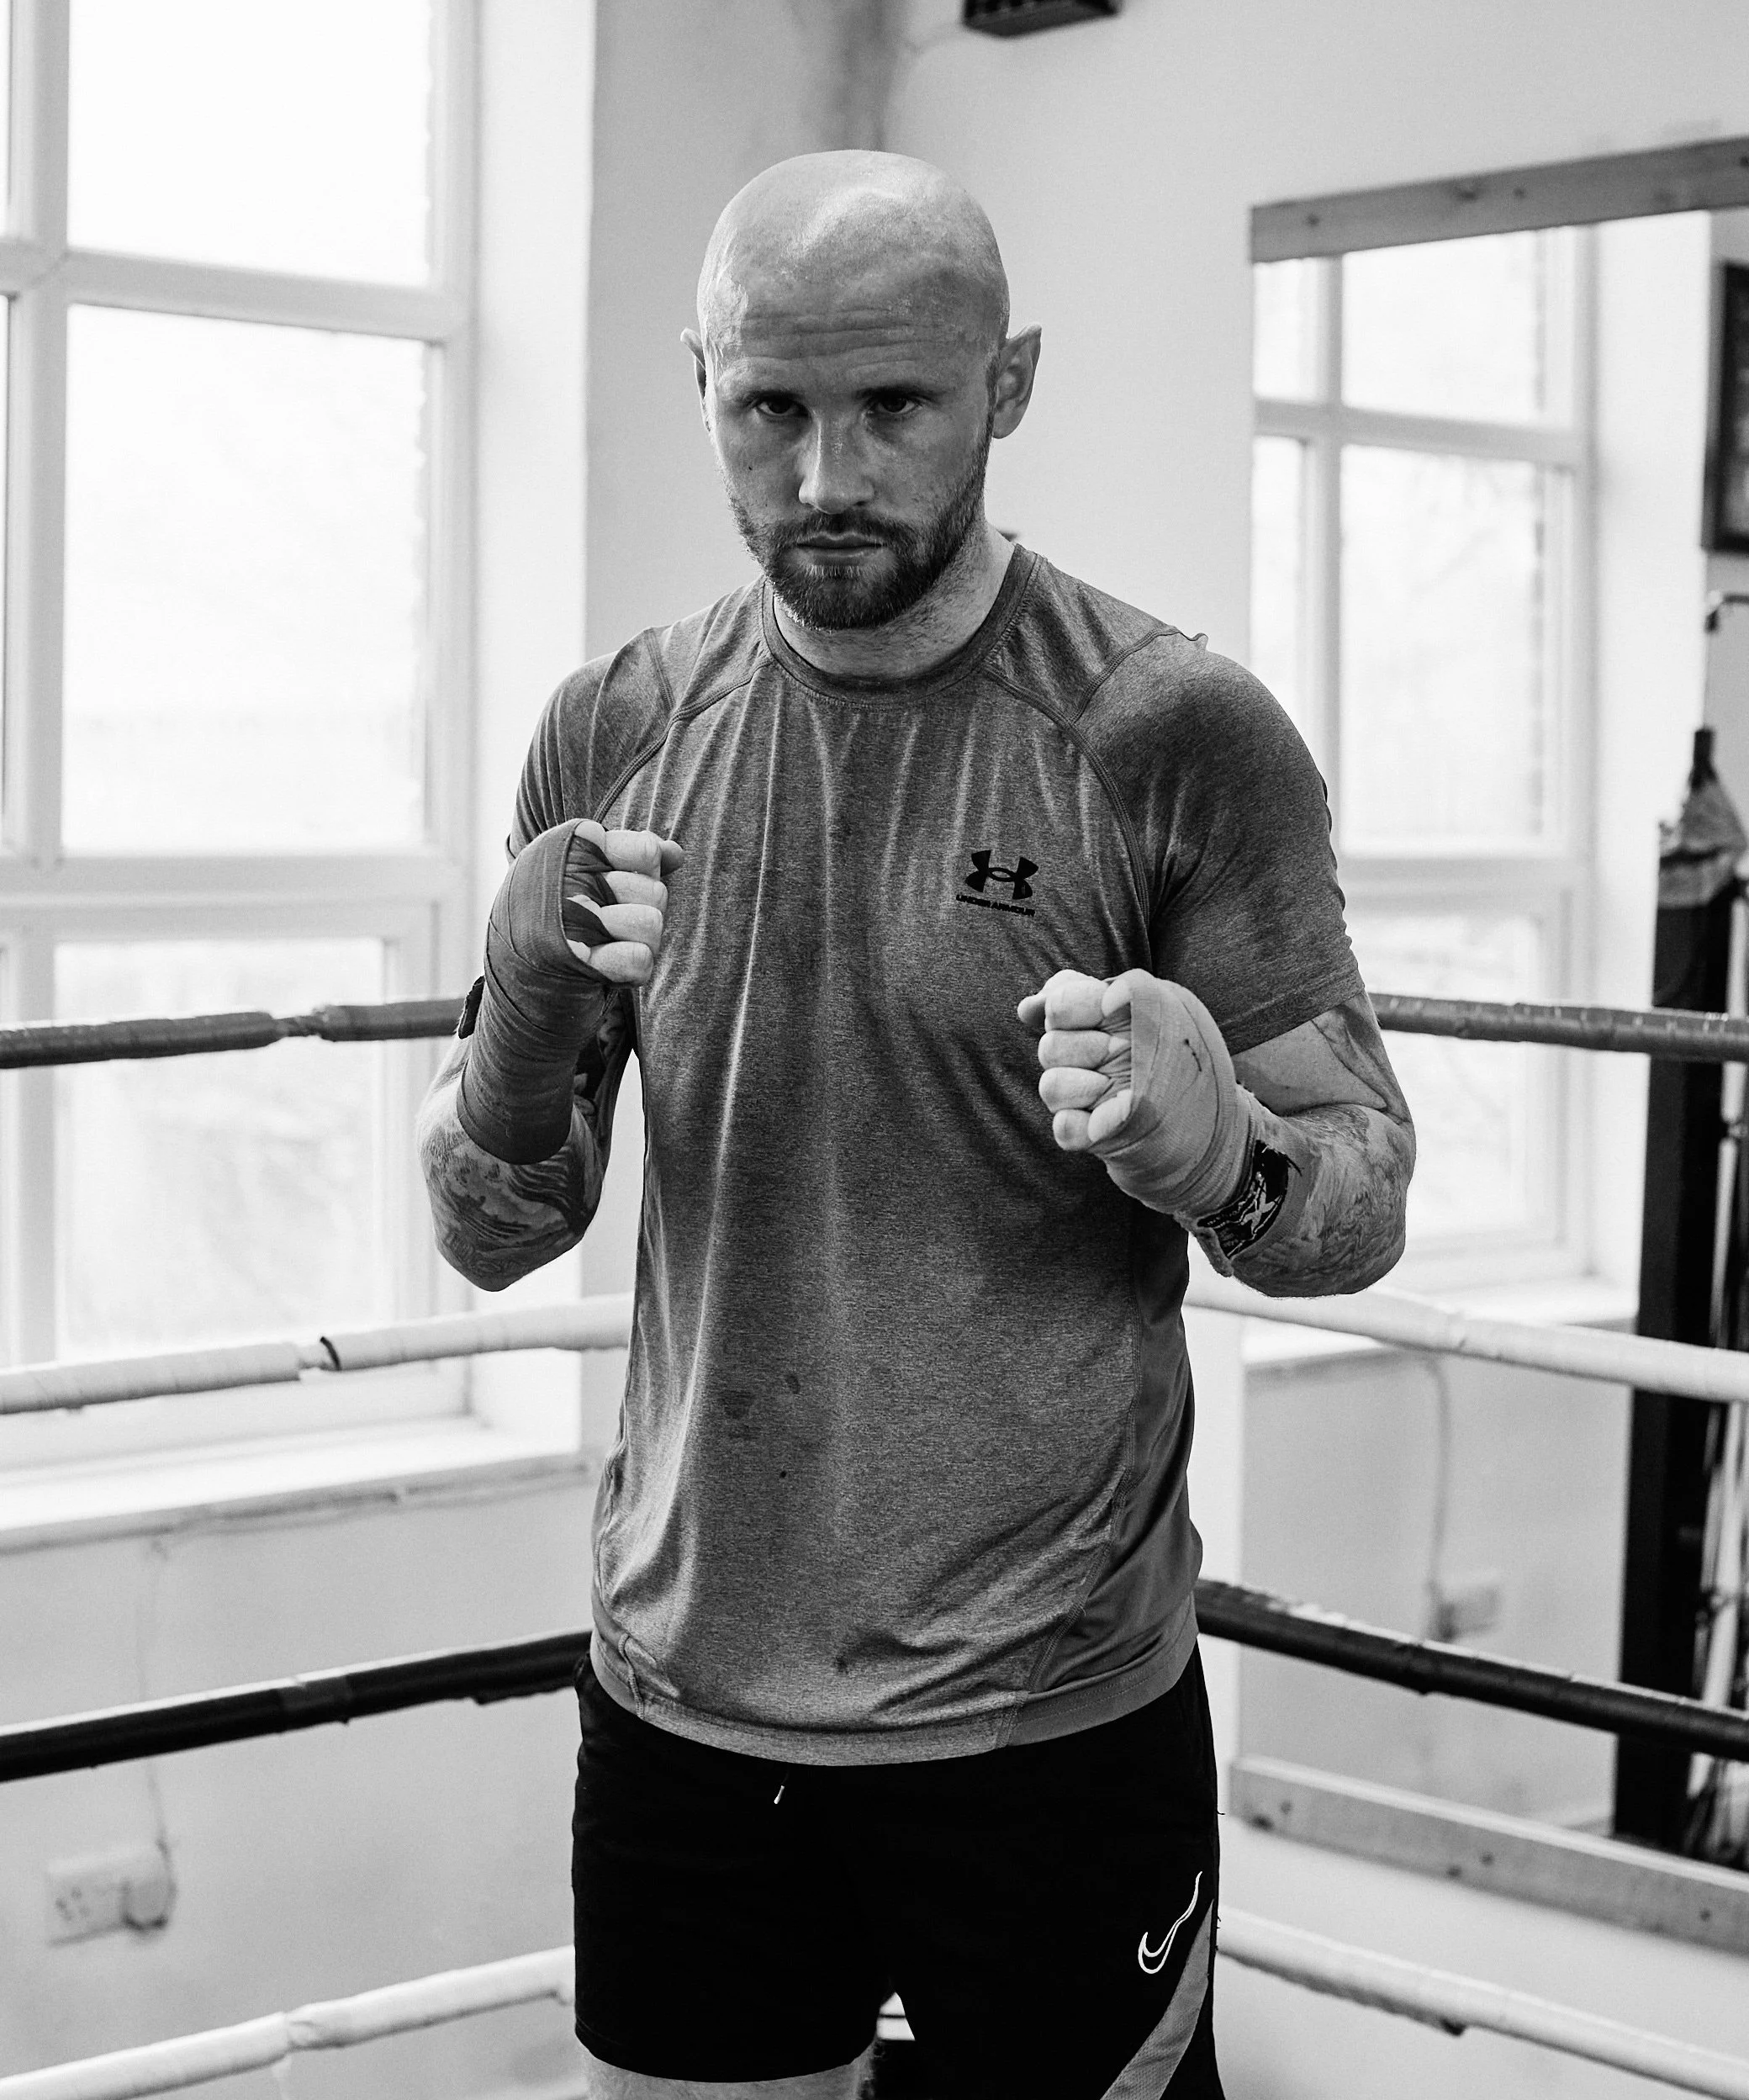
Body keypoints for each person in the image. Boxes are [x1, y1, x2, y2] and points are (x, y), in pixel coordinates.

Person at [418, 150, 1413, 2100]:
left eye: (893, 407)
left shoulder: (1161, 730)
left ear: (1007, 383)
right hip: (684, 1697)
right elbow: (491, 1223)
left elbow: (1359, 1193)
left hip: (1044, 1723)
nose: (823, 479)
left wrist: (1228, 1152)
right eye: (767, 408)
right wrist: (524, 1019)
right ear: (699, 374)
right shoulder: (613, 728)